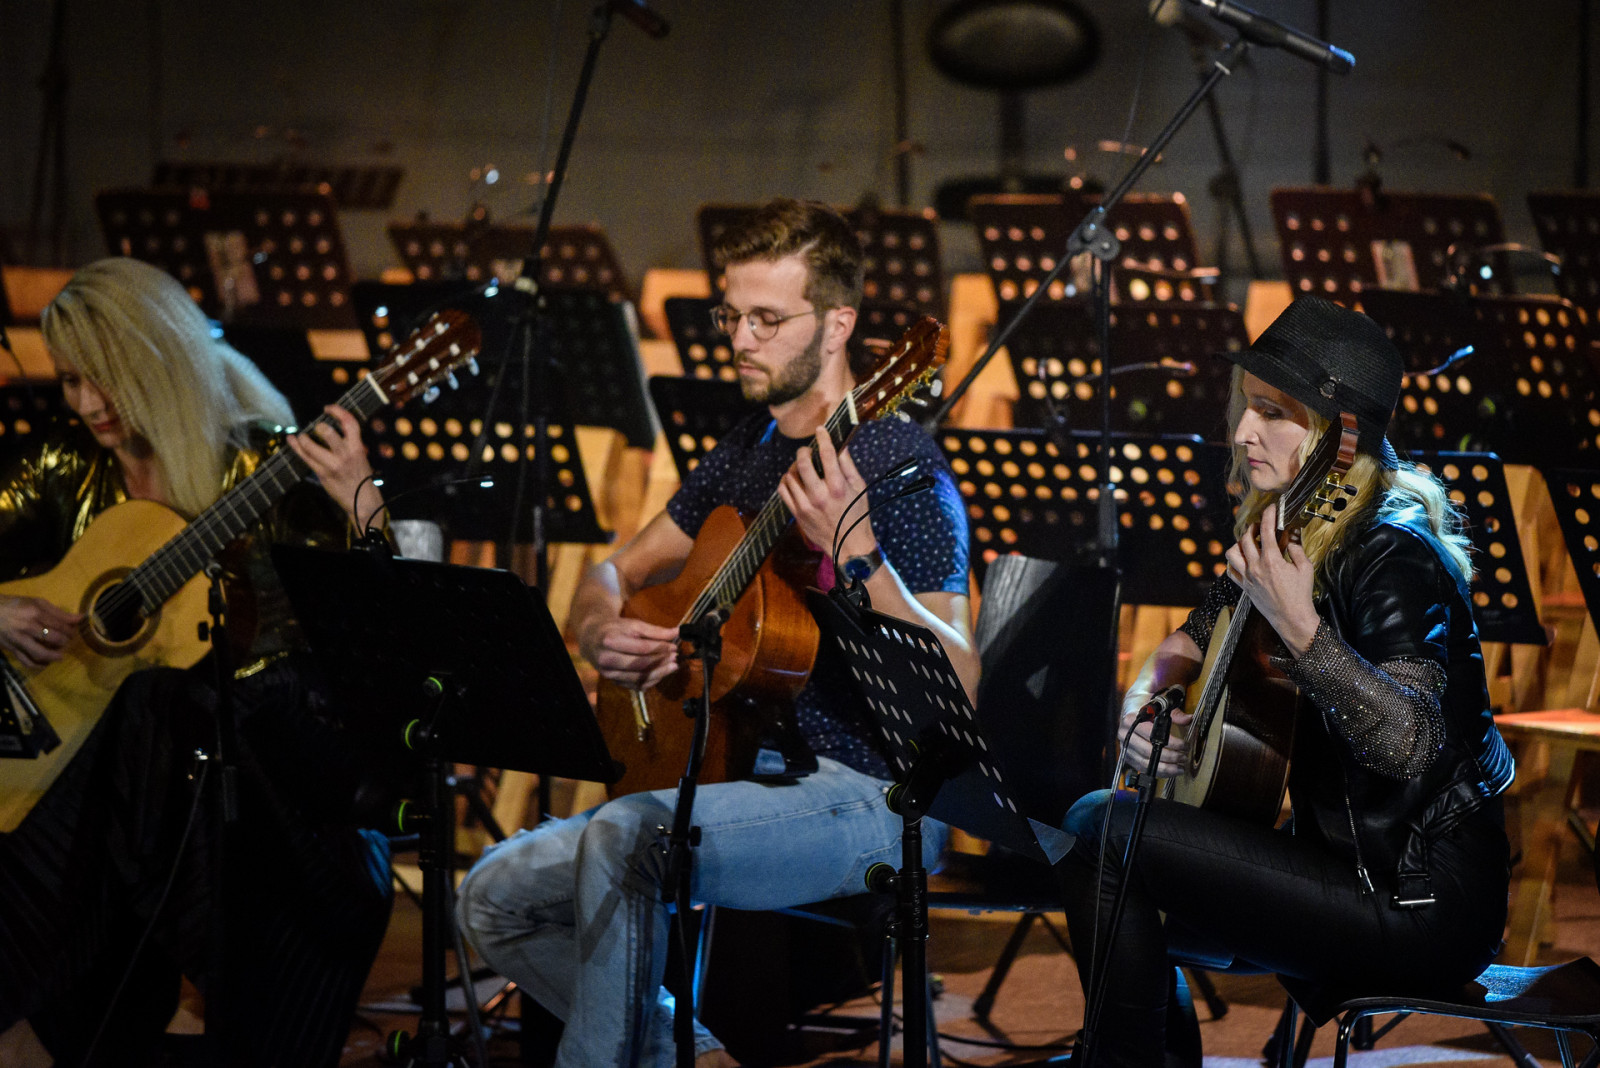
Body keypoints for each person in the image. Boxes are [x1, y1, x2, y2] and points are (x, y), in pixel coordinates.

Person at [455, 198, 977, 1067]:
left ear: (838, 324)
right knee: (492, 894)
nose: (740, 339)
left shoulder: (901, 468)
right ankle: (689, 1054)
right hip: (738, 770)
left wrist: (857, 552)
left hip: (873, 797)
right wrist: (600, 632)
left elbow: (959, 682)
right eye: (731, 316)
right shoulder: (746, 450)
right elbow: (613, 571)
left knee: (624, 837)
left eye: (767, 319)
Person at [1058, 296, 1515, 1067]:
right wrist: (1148, 705)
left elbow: (1411, 742)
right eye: (1247, 405)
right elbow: (1186, 641)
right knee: (1108, 850)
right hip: (1337, 869)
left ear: (1341, 437)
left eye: (1272, 412)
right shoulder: (1288, 528)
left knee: (1102, 832)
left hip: (1418, 900)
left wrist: (1303, 630)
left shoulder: (1393, 554)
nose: (1242, 431)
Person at [0, 257, 394, 1067]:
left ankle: (123, 1004)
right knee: (138, 721)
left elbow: (378, 628)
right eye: (70, 381)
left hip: (262, 753)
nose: (87, 404)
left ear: (160, 358)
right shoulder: (64, 463)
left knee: (157, 704)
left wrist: (365, 501)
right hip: (116, 778)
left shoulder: (263, 464)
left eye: (105, 379)